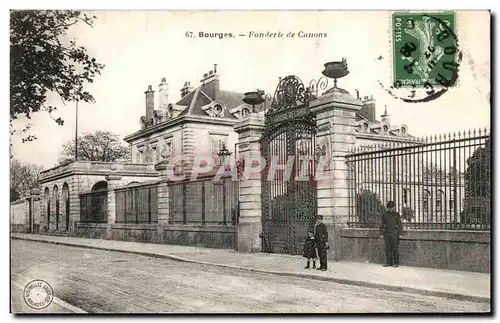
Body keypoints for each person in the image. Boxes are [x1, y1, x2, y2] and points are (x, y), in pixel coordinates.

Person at [379, 201, 404, 267]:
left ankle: (396, 263)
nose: (390, 209)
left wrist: (400, 234)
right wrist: (381, 233)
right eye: (389, 208)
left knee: (395, 248)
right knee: (388, 248)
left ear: (394, 207)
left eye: (391, 208)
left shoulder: (396, 214)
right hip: (387, 233)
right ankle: (388, 262)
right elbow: (381, 224)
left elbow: (400, 224)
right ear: (387, 208)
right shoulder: (385, 214)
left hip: (394, 233)